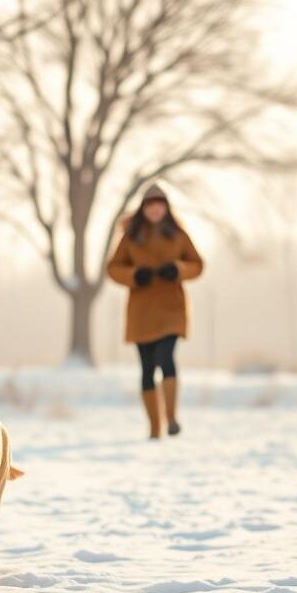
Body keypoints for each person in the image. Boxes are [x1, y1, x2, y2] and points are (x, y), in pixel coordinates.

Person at [106, 183, 204, 439]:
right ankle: (154, 427)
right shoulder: (130, 236)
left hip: (172, 309)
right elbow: (114, 269)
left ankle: (171, 418)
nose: (155, 210)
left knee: (166, 357)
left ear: (166, 208)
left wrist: (178, 269)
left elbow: (197, 264)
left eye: (160, 205)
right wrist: (135, 275)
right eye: (151, 206)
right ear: (144, 209)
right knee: (148, 367)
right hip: (142, 312)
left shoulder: (178, 234)